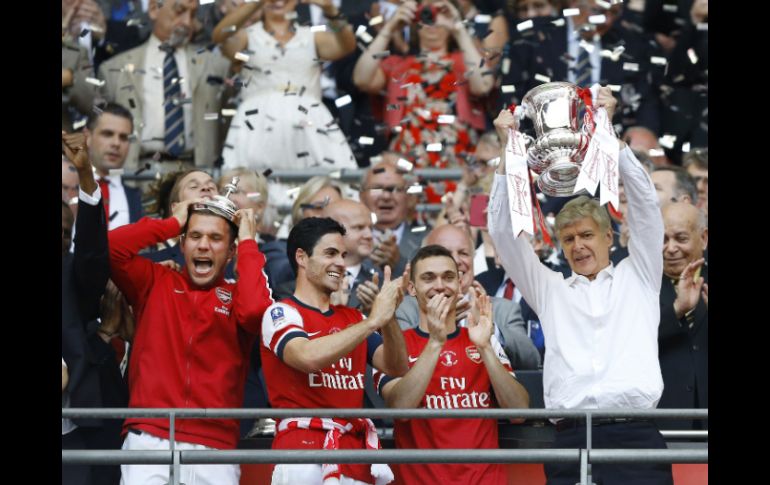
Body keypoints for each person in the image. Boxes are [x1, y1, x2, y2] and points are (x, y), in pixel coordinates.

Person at [488, 87, 673, 484]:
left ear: (610, 236)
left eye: (587, 235)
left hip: (635, 436)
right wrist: (508, 153)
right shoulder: (550, 289)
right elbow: (504, 235)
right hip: (569, 439)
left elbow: (645, 211)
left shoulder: (638, 274)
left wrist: (612, 139)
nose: (578, 245)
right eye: (568, 239)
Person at [108, 186, 274, 484]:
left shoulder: (237, 296)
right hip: (150, 435)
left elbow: (254, 311)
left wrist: (248, 241)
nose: (203, 246)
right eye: (195, 236)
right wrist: (170, 223)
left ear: (231, 250)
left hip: (216, 445)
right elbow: (111, 248)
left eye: (216, 238)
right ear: (182, 244)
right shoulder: (155, 280)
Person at [260, 217, 408, 485]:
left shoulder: (352, 318)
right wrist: (373, 321)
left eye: (343, 255)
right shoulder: (281, 312)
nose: (340, 263)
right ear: (302, 258)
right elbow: (306, 357)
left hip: (355, 457)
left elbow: (396, 367)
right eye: (330, 253)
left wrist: (390, 318)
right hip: (301, 455)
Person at [375, 244, 530, 484]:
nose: (440, 285)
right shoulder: (395, 347)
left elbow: (519, 411)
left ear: (459, 284)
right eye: (428, 278)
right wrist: (436, 342)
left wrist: (486, 347)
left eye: (448, 277)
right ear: (412, 288)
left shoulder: (481, 339)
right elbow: (400, 408)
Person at [353, 0, 494, 199]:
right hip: (407, 164)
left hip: (458, 163)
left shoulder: (464, 61)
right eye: (426, 13)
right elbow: (361, 79)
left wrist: (457, 27)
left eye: (440, 12)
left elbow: (483, 85)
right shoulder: (398, 65)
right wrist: (390, 28)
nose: (433, 20)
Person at [213, 0, 358, 172]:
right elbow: (219, 37)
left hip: (308, 123)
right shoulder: (248, 36)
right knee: (253, 186)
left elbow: (347, 45)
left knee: (320, 184)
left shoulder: (311, 36)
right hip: (257, 124)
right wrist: (256, 4)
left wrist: (330, 10)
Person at [61, 130, 127, 485]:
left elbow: (91, 251)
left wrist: (86, 176)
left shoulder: (72, 274)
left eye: (63, 232)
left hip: (71, 436)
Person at [98, 0, 231, 172]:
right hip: (135, 173)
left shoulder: (216, 66)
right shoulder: (115, 68)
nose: (187, 22)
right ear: (154, 9)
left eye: (192, 14)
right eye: (179, 11)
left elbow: (225, 123)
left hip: (195, 174)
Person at [396, 224, 541, 370]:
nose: (456, 261)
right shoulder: (405, 309)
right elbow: (399, 360)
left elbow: (531, 361)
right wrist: (438, 324)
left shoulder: (503, 309)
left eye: (463, 253)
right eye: (444, 253)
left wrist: (490, 329)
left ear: (473, 258)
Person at [657, 202, 707, 431]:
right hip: (665, 422)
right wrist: (677, 309)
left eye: (681, 238)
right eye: (664, 239)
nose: (670, 248)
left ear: (703, 238)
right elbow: (630, 340)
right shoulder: (640, 284)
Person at [360, 157, 427, 275]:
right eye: (377, 188)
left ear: (409, 197)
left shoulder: (427, 239)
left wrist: (399, 264)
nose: (386, 196)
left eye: (395, 189)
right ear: (362, 196)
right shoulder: (345, 238)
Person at [84, 102, 144, 229]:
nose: (116, 143)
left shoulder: (139, 200)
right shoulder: (67, 188)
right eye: (107, 134)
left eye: (123, 137)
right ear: (87, 137)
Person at [322, 199, 384, 312]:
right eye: (359, 227)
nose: (369, 235)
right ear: (332, 231)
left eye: (371, 228)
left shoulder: (382, 282)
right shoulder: (306, 282)